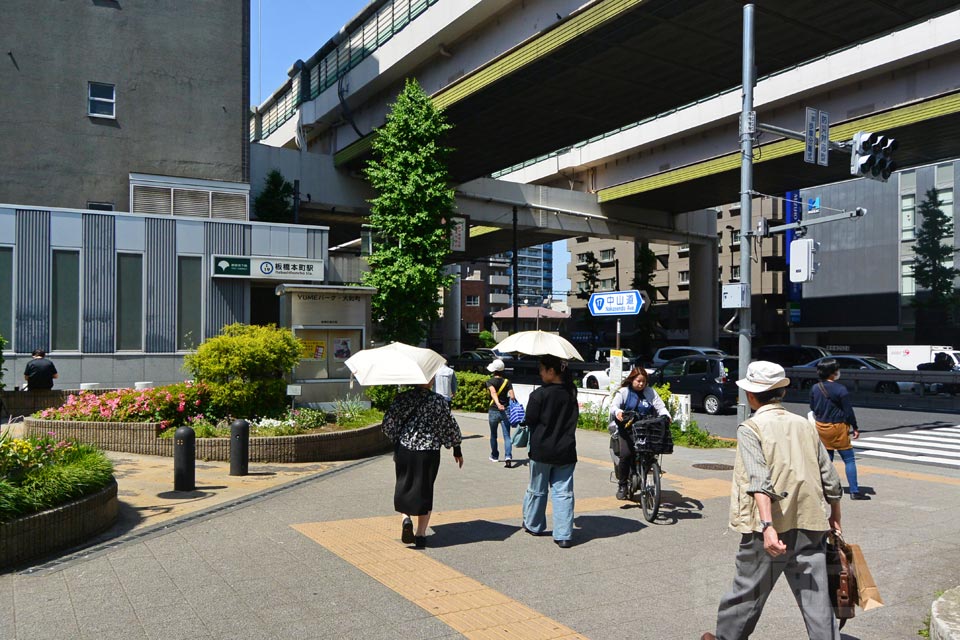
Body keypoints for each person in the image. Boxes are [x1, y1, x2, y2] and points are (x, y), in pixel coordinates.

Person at [702, 361, 842, 640]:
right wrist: (835, 517)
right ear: (782, 393)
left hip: (769, 527)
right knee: (815, 597)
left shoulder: (751, 428)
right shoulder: (804, 424)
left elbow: (759, 482)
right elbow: (831, 478)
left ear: (751, 396)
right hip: (810, 521)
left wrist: (767, 526)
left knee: (748, 590)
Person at [381, 380, 463, 549]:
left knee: (403, 483)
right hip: (429, 450)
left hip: (405, 449)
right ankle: (420, 534)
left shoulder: (402, 398)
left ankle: (406, 518)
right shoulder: (437, 400)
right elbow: (448, 425)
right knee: (425, 488)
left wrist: (398, 438)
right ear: (430, 381)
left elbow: (388, 423)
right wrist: (456, 448)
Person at [521, 354, 579, 548]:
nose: (540, 373)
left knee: (537, 490)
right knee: (564, 493)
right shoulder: (572, 392)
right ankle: (563, 534)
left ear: (551, 371)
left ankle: (534, 525)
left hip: (541, 450)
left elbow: (529, 420)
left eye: (541, 369)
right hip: (566, 450)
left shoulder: (539, 394)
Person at [809, 358, 868, 500]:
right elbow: (848, 411)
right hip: (838, 427)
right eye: (837, 370)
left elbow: (812, 407)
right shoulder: (841, 389)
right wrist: (855, 427)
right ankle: (854, 491)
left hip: (821, 426)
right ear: (832, 373)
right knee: (849, 459)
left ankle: (824, 488)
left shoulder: (815, 388)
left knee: (826, 460)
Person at [608, 366, 671, 500]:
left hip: (645, 430)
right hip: (626, 430)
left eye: (643, 381)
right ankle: (623, 485)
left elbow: (661, 407)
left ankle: (646, 471)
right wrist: (618, 412)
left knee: (650, 453)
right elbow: (614, 406)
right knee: (626, 454)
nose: (641, 384)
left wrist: (666, 415)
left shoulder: (650, 392)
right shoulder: (624, 392)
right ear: (632, 380)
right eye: (638, 381)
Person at [485, 359, 517, 467]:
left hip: (494, 410)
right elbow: (512, 396)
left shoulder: (490, 381)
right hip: (506, 410)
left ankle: (494, 456)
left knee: (493, 434)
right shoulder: (507, 382)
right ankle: (508, 456)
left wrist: (498, 403)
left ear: (494, 370)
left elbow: (493, 392)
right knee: (507, 436)